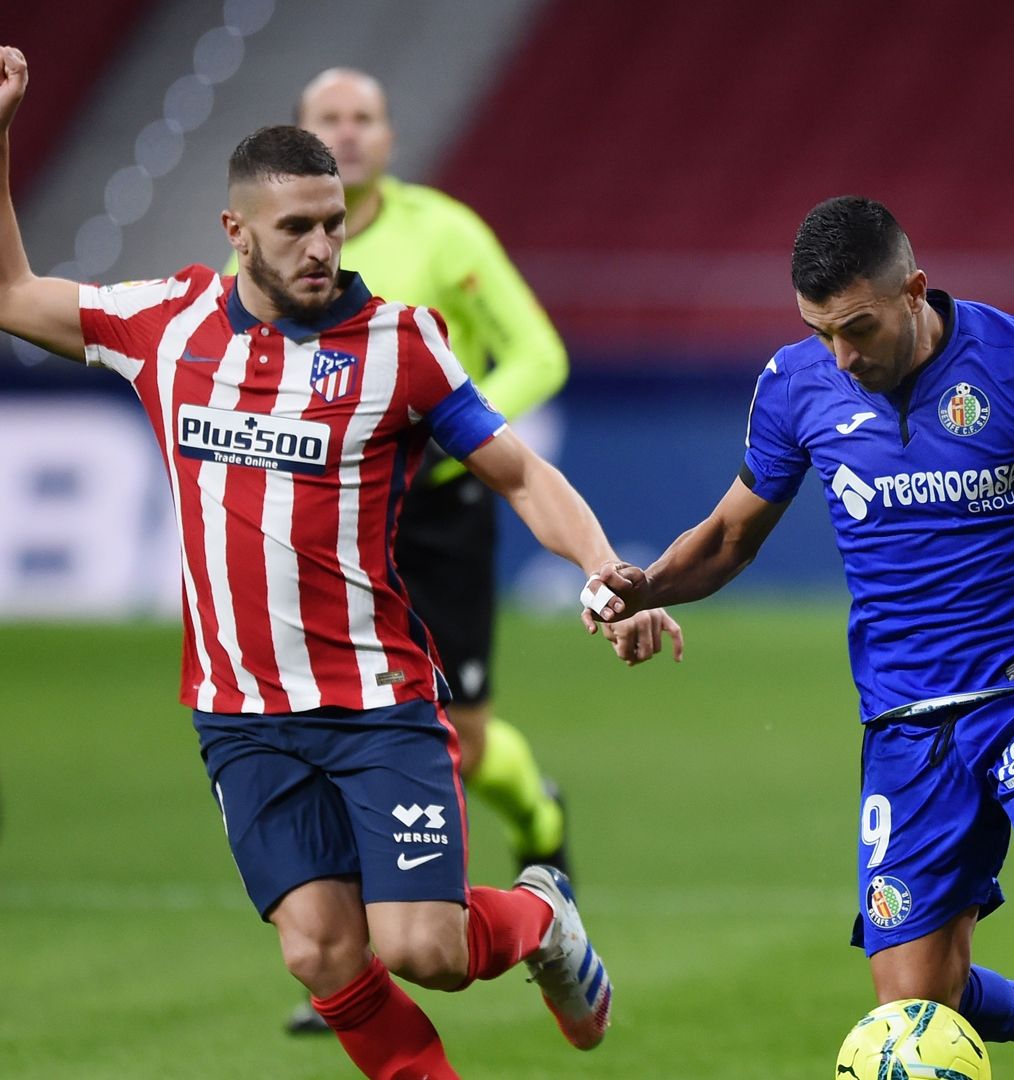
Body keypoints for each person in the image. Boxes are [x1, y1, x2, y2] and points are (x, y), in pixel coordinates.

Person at [0, 48, 659, 1077]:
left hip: (375, 703)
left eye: (332, 223)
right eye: (294, 228)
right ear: (235, 234)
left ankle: (539, 919)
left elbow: (521, 474)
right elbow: (12, 289)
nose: (320, 245)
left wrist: (604, 570)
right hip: (240, 717)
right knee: (318, 950)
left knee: (424, 951)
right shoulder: (163, 325)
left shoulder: (401, 345)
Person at [584, 196, 1014, 1080]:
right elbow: (730, 537)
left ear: (913, 290)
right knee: (921, 1010)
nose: (842, 356)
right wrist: (643, 589)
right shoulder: (795, 383)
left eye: (857, 328)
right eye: (821, 332)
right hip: (908, 722)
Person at [266, 66, 636, 1036]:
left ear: (390, 135)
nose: (346, 135)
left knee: (461, 737)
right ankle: (345, 959)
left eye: (363, 118)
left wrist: (456, 426)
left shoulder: (445, 234)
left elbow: (538, 352)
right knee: (334, 719)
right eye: (327, 121)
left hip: (437, 510)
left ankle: (537, 815)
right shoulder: (270, 251)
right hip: (337, 518)